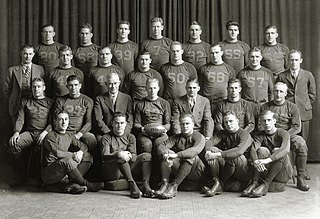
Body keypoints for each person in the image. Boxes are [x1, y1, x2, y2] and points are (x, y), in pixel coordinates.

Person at [261, 82, 310, 191]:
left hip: (288, 134)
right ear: (273, 92)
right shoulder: (265, 106)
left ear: (285, 93)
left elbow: (297, 127)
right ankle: (264, 178)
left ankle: (301, 177)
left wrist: (284, 137)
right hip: (269, 135)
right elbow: (260, 125)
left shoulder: (292, 107)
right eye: (276, 91)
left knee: (300, 143)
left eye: (281, 91)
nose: (278, 94)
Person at [42, 110, 104, 194]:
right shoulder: (51, 136)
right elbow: (58, 153)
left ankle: (72, 183)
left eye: (66, 119)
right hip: (50, 173)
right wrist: (74, 155)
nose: (64, 122)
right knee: (67, 160)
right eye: (61, 119)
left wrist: (80, 153)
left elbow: (84, 146)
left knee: (88, 156)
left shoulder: (69, 135)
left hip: (63, 170)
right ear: (55, 121)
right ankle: (87, 184)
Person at [9, 78, 53, 187]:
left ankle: (42, 177)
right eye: (34, 87)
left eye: (39, 86)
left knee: (48, 146)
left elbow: (53, 122)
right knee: (14, 145)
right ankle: (21, 176)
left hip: (45, 133)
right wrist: (16, 132)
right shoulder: (25, 101)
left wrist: (45, 132)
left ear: (44, 88)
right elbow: (20, 119)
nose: (36, 89)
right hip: (30, 133)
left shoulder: (50, 102)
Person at [100, 112, 154, 198]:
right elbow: (104, 156)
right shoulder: (106, 137)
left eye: (122, 123)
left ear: (125, 124)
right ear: (112, 124)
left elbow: (134, 157)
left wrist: (129, 155)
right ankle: (132, 184)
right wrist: (118, 154)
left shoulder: (130, 137)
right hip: (112, 171)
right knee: (120, 158)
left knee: (147, 156)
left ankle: (144, 184)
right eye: (117, 123)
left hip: (127, 169)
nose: (119, 126)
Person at [242, 110, 292, 198]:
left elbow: (285, 149)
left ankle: (266, 185)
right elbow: (253, 148)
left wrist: (267, 160)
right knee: (261, 150)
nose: (266, 123)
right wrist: (256, 161)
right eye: (264, 121)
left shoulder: (284, 133)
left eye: (269, 120)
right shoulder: (259, 135)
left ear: (274, 121)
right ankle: (255, 182)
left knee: (277, 150)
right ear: (261, 122)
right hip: (266, 171)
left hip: (282, 173)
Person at [203, 111, 253, 197]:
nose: (228, 124)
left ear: (237, 121)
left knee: (234, 156)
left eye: (231, 121)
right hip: (229, 166)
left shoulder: (244, 134)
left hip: (244, 169)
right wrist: (208, 152)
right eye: (226, 122)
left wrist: (216, 155)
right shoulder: (223, 133)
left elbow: (238, 151)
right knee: (212, 149)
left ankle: (220, 184)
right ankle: (216, 181)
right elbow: (209, 143)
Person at [156, 113, 205, 199]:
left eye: (187, 124)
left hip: (196, 171)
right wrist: (165, 154)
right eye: (182, 124)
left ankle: (174, 186)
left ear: (193, 124)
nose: (185, 126)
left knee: (190, 156)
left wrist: (176, 155)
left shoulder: (199, 137)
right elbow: (161, 146)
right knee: (167, 152)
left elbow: (195, 151)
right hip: (181, 169)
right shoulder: (176, 137)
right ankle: (165, 183)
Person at [276, 50, 316, 143]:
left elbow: (312, 95)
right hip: (287, 114)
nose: (294, 62)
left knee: (303, 142)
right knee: (287, 140)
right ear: (288, 61)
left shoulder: (308, 75)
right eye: (291, 60)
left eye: (296, 60)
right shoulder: (282, 76)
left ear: (301, 60)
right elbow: (279, 93)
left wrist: (304, 104)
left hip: (304, 113)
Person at [3, 45, 45, 125]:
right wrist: (14, 98)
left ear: (33, 54)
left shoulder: (39, 69)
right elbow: (7, 89)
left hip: (35, 106)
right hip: (17, 105)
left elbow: (43, 87)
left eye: (30, 54)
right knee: (17, 131)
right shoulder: (12, 70)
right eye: (25, 54)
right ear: (21, 54)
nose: (27, 56)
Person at [54, 75, 97, 151]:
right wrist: (63, 133)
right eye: (70, 85)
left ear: (80, 86)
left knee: (91, 138)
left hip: (79, 131)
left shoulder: (87, 101)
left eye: (76, 85)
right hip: (64, 131)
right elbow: (55, 120)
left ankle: (92, 161)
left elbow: (89, 122)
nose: (73, 88)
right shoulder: (60, 100)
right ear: (67, 86)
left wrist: (78, 135)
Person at [134, 78, 171, 154]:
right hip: (145, 133)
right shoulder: (140, 104)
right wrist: (142, 128)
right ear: (146, 89)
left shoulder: (164, 103)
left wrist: (164, 129)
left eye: (154, 88)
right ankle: (147, 164)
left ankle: (159, 165)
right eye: (150, 88)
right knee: (147, 145)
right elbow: (136, 123)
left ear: (158, 88)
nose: (152, 91)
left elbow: (168, 123)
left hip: (161, 133)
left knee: (159, 145)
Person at [94, 72, 133, 139]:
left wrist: (123, 133)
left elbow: (130, 118)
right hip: (105, 133)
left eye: (115, 83)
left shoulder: (127, 98)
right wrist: (109, 134)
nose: (113, 86)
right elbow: (98, 120)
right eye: (110, 84)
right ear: (106, 84)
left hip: (123, 133)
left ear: (119, 83)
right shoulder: (99, 99)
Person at [198, 44, 235, 113]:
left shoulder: (229, 69)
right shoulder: (203, 68)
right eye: (212, 53)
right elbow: (200, 87)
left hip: (224, 101)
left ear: (221, 53)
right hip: (207, 101)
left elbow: (233, 86)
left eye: (217, 52)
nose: (214, 55)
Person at [74, 23, 100, 95]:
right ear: (79, 35)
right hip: (80, 82)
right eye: (82, 33)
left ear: (91, 35)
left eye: (86, 33)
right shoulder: (75, 51)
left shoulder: (98, 49)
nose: (84, 36)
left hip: (95, 81)